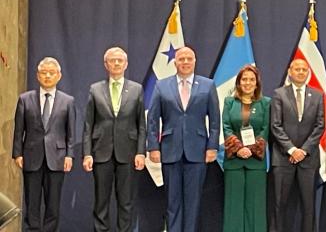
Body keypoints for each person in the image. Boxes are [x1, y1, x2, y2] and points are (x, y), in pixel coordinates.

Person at [146, 46, 220, 232]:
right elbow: (153, 119)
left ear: (195, 61)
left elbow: (214, 119)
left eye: (189, 58)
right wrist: (153, 147)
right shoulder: (162, 85)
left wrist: (212, 146)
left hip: (198, 151)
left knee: (193, 201)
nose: (185, 62)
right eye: (181, 59)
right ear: (175, 62)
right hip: (170, 151)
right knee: (172, 201)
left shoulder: (207, 85)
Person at [82, 47, 146, 232]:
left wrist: (141, 152)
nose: (116, 63)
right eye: (112, 60)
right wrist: (87, 154)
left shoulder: (136, 89)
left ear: (126, 64)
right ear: (106, 64)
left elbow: (141, 124)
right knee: (101, 202)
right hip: (101, 153)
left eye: (120, 60)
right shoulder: (95, 89)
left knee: (125, 202)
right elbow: (88, 125)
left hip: (128, 153)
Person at [13, 57, 76, 232]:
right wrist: (17, 153)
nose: (47, 76)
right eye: (43, 72)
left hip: (57, 158)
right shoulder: (25, 99)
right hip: (31, 157)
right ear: (38, 76)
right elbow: (19, 129)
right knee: (31, 204)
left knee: (53, 206)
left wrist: (69, 155)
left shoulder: (68, 101)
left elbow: (71, 131)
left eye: (51, 72)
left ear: (59, 76)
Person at [271, 58, 325, 232]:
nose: (301, 72)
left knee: (308, 206)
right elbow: (275, 125)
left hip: (308, 159)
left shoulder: (317, 95)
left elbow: (320, 126)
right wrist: (292, 150)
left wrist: (303, 151)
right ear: (290, 72)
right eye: (297, 69)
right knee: (280, 203)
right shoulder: (279, 94)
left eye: (304, 69)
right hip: (283, 158)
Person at [222, 65, 271, 232]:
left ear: (257, 83)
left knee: (255, 206)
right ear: (238, 82)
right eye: (244, 79)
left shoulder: (266, 103)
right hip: (234, 162)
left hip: (256, 162)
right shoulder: (229, 102)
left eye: (252, 79)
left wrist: (251, 149)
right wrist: (238, 148)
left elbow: (265, 129)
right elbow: (226, 126)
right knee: (233, 205)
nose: (248, 83)